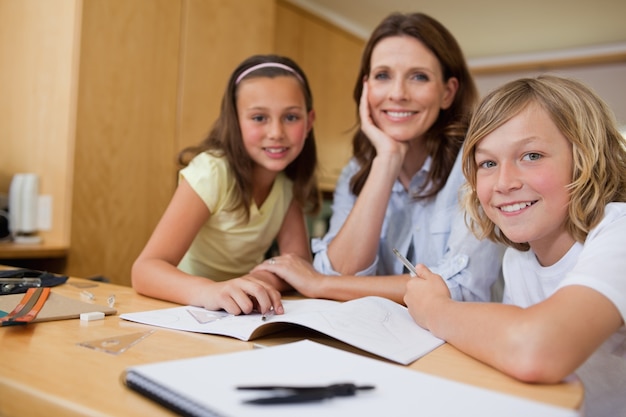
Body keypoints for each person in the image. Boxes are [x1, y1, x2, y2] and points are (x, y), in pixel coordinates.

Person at [404, 75, 626, 417]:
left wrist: (435, 308)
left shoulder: (619, 232)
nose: (504, 183)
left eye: (531, 155)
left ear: (585, 159)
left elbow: (538, 350)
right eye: (488, 163)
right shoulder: (519, 259)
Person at [252, 12, 501, 304]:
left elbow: (460, 290)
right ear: (366, 89)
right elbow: (340, 272)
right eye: (383, 76)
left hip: (460, 345)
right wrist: (387, 159)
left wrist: (320, 285)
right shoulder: (357, 171)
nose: (397, 93)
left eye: (418, 77)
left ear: (447, 93)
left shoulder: (481, 165)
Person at [132, 54, 320, 316]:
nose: (276, 132)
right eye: (258, 118)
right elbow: (145, 270)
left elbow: (297, 265)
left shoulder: (287, 183)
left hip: (239, 311)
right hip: (188, 308)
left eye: (290, 117)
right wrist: (212, 291)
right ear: (235, 120)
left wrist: (257, 284)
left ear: (309, 122)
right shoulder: (211, 172)